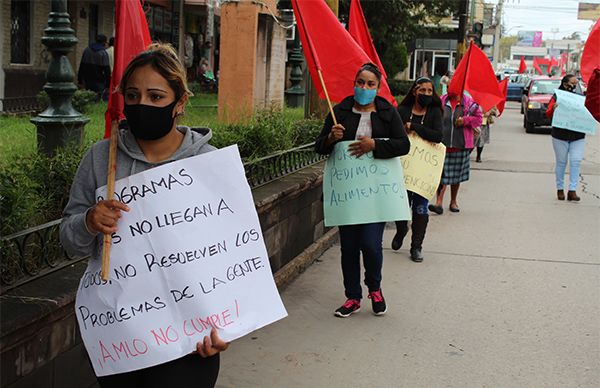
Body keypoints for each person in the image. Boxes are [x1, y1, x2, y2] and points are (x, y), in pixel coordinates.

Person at [61, 43, 227, 388]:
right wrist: (90, 221)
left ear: (179, 103)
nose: (141, 106)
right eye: (133, 96)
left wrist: (229, 326)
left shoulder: (207, 164)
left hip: (190, 341)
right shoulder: (99, 159)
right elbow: (70, 243)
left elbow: (229, 255)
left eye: (155, 97)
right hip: (120, 336)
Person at [315, 63, 410, 318]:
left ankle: (375, 288)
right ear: (354, 84)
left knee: (370, 245)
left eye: (370, 84)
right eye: (360, 82)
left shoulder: (388, 112)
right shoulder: (341, 111)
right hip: (348, 194)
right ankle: (352, 297)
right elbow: (320, 147)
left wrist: (375, 145)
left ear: (378, 88)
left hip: (376, 195)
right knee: (348, 247)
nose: (364, 88)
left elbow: (403, 145)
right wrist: (331, 139)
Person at [391, 77, 443, 262]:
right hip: (404, 168)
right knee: (401, 206)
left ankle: (416, 246)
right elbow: (393, 133)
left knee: (420, 208)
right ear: (414, 91)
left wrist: (414, 127)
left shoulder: (435, 111)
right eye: (423, 90)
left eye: (430, 91)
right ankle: (401, 229)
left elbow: (437, 136)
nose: (427, 94)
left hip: (424, 170)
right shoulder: (403, 110)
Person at [429, 91, 483, 214]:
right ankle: (439, 202)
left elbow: (479, 119)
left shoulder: (469, 103)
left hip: (461, 144)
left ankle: (453, 201)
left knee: (456, 176)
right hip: (442, 144)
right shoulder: (442, 101)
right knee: (441, 175)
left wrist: (465, 120)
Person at [545, 74, 586, 201]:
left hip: (578, 135)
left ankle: (572, 190)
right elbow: (548, 113)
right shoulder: (557, 96)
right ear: (564, 84)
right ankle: (560, 189)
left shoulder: (581, 96)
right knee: (561, 162)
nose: (574, 86)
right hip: (560, 135)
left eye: (576, 84)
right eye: (571, 84)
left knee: (576, 161)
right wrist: (553, 108)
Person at [78, 34, 111, 99]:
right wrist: (108, 85)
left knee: (88, 99)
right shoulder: (103, 53)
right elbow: (107, 71)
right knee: (98, 100)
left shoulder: (87, 50)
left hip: (87, 80)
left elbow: (81, 66)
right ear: (104, 42)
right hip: (99, 82)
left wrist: (80, 80)